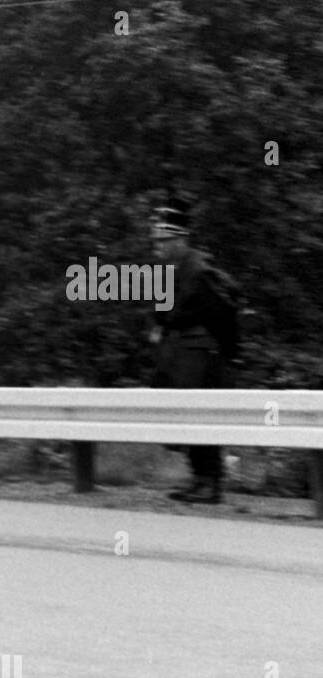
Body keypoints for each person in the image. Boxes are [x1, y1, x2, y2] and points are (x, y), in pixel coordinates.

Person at [148, 198, 241, 504]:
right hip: (178, 354)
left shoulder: (199, 270)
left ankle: (209, 482)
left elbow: (222, 316)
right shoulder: (165, 270)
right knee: (182, 417)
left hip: (200, 355)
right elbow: (163, 315)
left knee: (199, 417)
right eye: (156, 240)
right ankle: (198, 478)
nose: (157, 246)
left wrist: (225, 354)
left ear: (180, 239)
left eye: (164, 240)